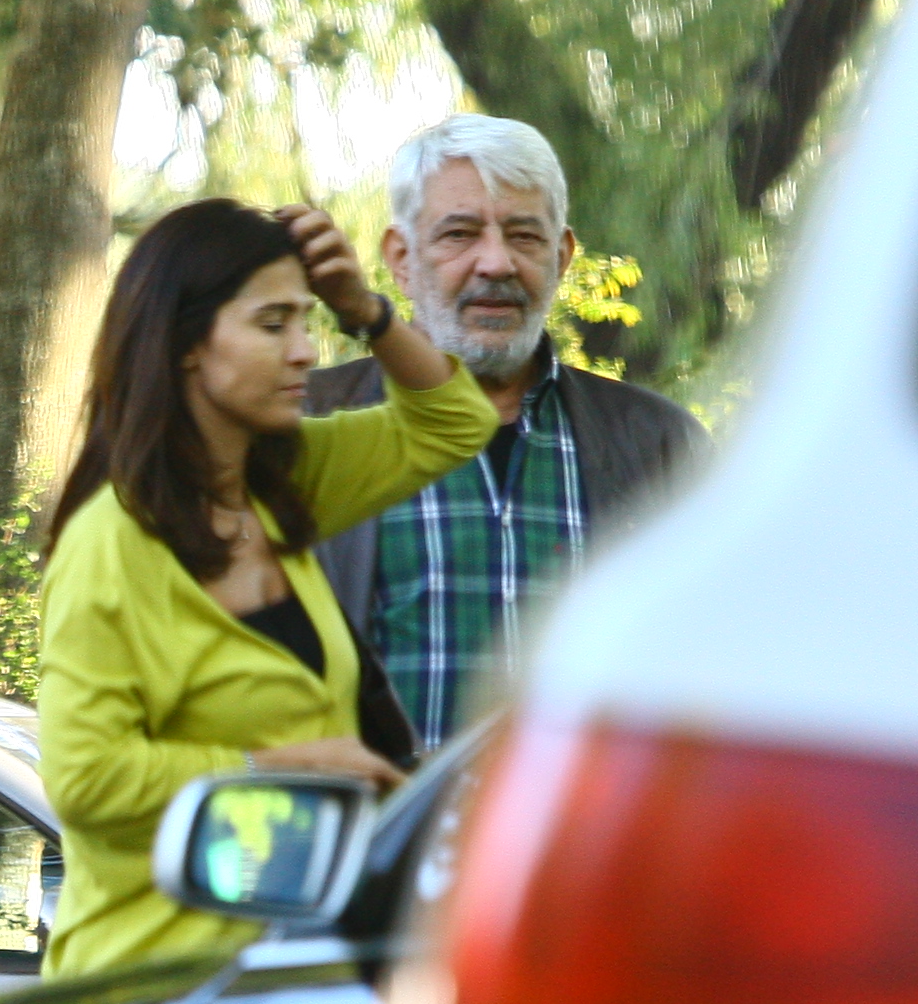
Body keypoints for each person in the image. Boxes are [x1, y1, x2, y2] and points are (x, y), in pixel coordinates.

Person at [35, 196, 499, 979]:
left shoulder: (284, 484)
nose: (307, 353)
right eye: (273, 323)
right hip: (143, 997)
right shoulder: (110, 544)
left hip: (286, 982)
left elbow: (456, 423)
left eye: (308, 322)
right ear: (187, 342)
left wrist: (367, 310)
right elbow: (84, 779)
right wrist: (289, 765)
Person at [301, 114, 707, 753]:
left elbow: (704, 680)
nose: (496, 263)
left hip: (575, 849)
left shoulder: (660, 446)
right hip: (369, 846)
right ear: (401, 259)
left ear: (562, 256)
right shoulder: (306, 429)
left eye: (524, 236)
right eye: (459, 234)